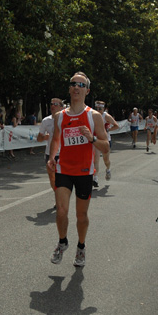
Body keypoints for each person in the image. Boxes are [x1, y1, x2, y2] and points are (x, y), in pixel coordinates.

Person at [47, 72, 110, 267]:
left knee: (81, 216)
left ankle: (81, 247)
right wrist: (51, 157)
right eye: (73, 84)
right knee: (61, 211)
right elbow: (56, 139)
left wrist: (91, 138)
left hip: (84, 172)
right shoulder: (60, 117)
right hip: (63, 169)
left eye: (81, 85)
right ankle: (62, 241)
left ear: (87, 91)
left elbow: (106, 146)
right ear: (69, 89)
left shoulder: (94, 116)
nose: (76, 87)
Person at [37, 98, 64, 191]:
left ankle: (61, 198)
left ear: (61, 107)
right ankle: (57, 196)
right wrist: (44, 137)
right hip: (50, 153)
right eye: (51, 104)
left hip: (64, 153)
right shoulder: (46, 120)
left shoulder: (66, 119)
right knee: (52, 178)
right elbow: (38, 139)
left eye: (56, 104)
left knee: (62, 179)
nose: (53, 106)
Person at [92, 100, 119, 184]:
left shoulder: (106, 116)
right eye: (97, 108)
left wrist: (107, 129)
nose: (98, 110)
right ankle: (95, 178)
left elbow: (116, 126)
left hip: (105, 141)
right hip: (96, 140)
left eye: (100, 108)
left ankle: (108, 169)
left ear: (104, 109)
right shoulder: (93, 115)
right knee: (96, 160)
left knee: (105, 160)